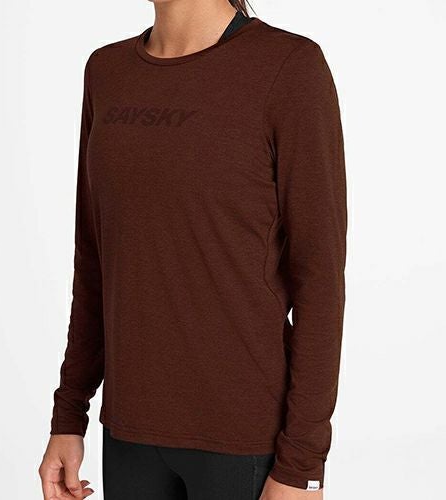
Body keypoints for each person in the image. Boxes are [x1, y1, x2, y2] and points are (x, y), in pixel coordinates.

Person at [38, 0, 347, 498]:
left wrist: (302, 465)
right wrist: (69, 416)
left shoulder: (288, 67)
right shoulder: (107, 71)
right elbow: (94, 257)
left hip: (244, 438)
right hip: (129, 433)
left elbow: (320, 280)